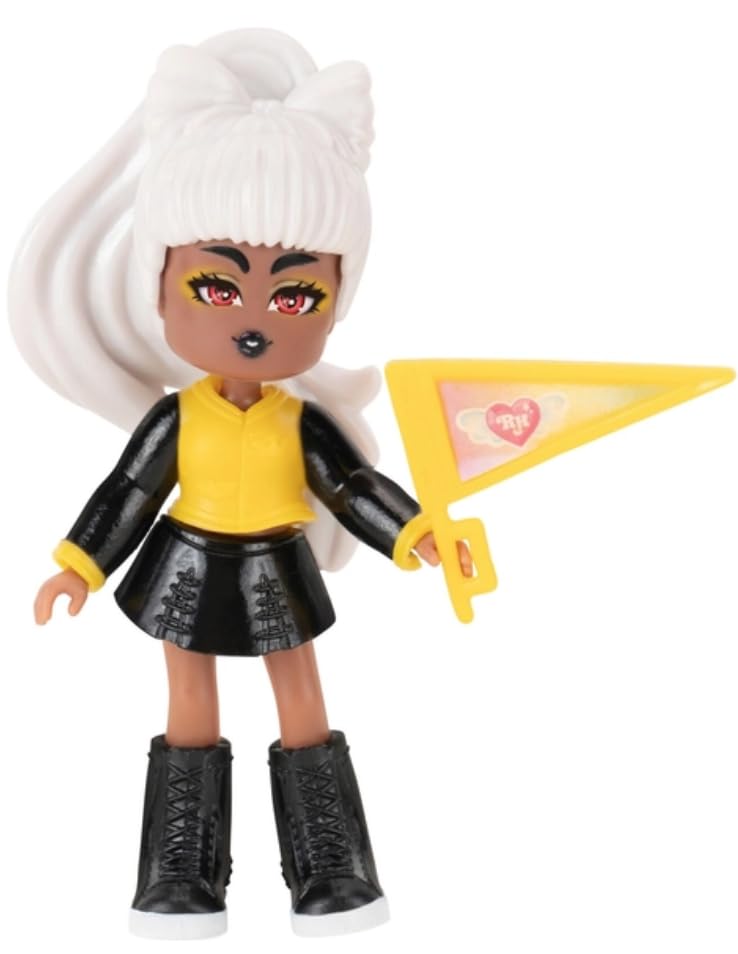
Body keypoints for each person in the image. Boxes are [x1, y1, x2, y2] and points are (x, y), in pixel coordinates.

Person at [10, 28, 471, 940]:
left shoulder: (301, 422)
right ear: (161, 289)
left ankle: (331, 863)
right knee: (189, 701)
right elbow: (128, 494)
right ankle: (181, 869)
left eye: (296, 297)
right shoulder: (178, 419)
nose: (256, 321)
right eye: (219, 288)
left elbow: (353, 487)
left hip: (276, 565)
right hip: (184, 565)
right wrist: (79, 564)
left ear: (335, 304)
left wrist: (417, 533)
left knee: (301, 697)